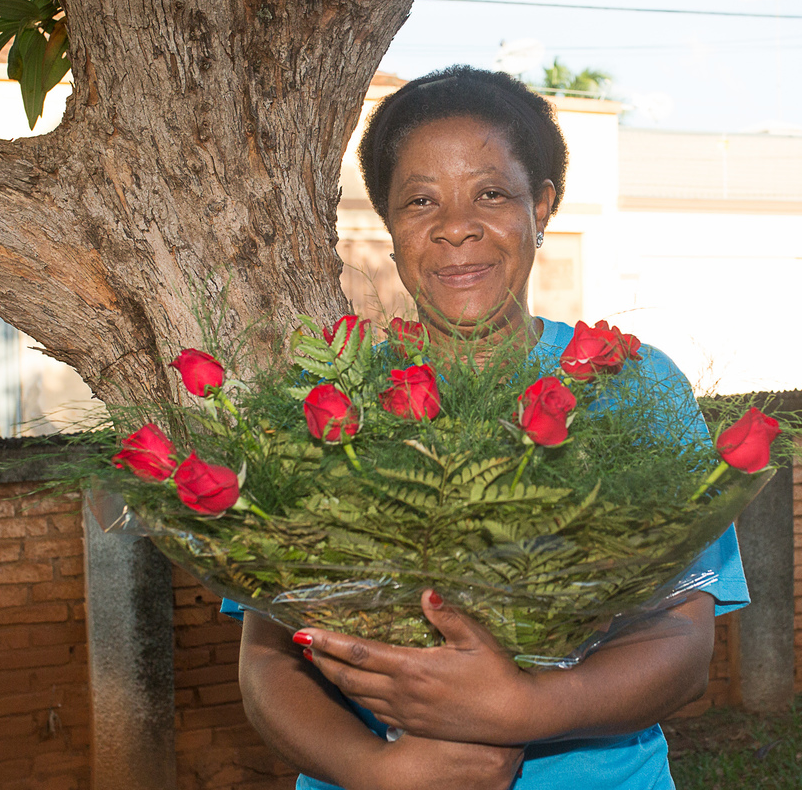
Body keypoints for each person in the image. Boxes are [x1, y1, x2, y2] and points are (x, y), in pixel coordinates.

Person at [227, 65, 749, 790]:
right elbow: (269, 657)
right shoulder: (327, 403)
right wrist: (377, 770)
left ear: (543, 206)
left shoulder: (635, 388)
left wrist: (526, 708)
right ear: (389, 224)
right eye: (420, 201)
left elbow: (684, 641)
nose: (455, 227)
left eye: (491, 194)